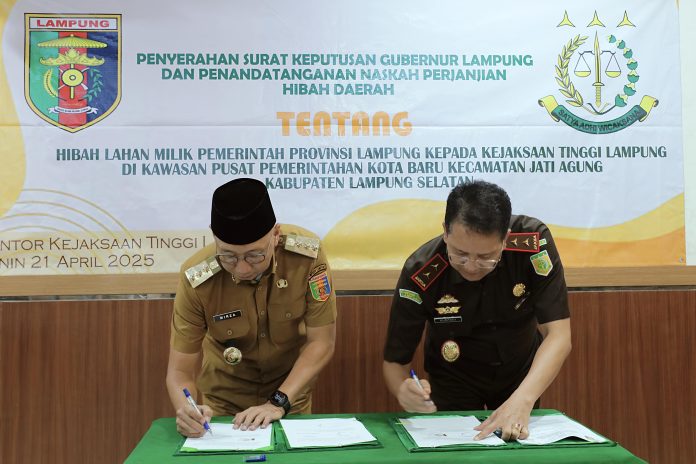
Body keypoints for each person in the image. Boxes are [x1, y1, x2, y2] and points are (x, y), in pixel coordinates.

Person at [382, 179, 571, 441]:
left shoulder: (533, 244)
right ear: (445, 232)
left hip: (519, 373)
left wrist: (523, 399)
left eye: (485, 257)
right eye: (459, 254)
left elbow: (559, 335)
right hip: (453, 379)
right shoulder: (421, 272)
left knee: (515, 448)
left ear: (505, 239)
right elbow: (394, 363)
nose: (471, 266)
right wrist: (403, 390)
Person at [167, 177, 337, 437]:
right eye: (228, 256)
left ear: (276, 235)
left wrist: (277, 403)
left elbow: (322, 342)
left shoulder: (306, 257)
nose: (243, 268)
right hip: (223, 405)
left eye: (255, 255)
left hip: (288, 398)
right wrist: (187, 410)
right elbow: (179, 371)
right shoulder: (197, 278)